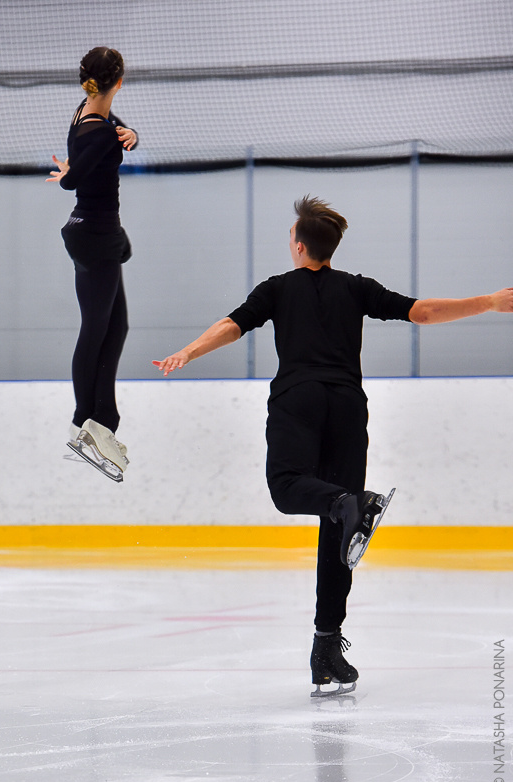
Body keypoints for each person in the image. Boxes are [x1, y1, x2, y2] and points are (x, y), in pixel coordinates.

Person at [153, 195, 513, 695]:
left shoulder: (277, 289)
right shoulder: (356, 288)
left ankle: (344, 517)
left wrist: (188, 351)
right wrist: (490, 302)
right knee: (340, 528)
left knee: (288, 489)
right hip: (346, 405)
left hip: (299, 399)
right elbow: (423, 313)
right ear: (330, 248)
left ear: (299, 247)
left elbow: (233, 325)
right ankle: (327, 644)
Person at [47, 46, 138, 481]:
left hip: (95, 232)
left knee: (114, 327)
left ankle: (101, 420)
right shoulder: (98, 129)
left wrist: (131, 133)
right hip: (96, 233)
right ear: (118, 82)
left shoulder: (85, 111)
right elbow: (75, 180)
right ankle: (86, 420)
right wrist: (69, 172)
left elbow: (110, 131)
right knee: (96, 328)